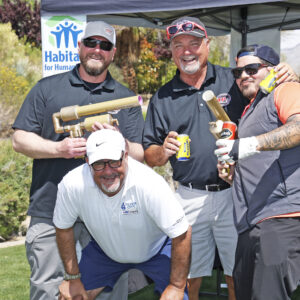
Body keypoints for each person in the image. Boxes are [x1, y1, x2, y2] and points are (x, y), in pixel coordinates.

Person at [142, 16, 296, 300]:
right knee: (186, 276)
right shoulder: (163, 97)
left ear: (207, 45)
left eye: (194, 43)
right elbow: (150, 155)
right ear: (172, 51)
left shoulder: (235, 78)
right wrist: (163, 150)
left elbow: (277, 97)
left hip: (235, 193)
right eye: (179, 45)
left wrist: (288, 72)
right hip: (188, 196)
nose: (187, 50)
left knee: (238, 273)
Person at [12, 21, 144, 300]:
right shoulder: (47, 89)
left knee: (109, 290)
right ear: (80, 46)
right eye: (91, 43)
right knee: (48, 290)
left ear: (113, 53)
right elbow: (20, 140)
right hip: (51, 210)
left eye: (104, 45)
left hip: (109, 213)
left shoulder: (125, 98)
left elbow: (141, 154)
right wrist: (59, 149)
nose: (97, 50)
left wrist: (119, 140)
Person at [53, 129, 191, 300]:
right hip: (105, 252)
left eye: (114, 162)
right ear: (88, 162)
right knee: (70, 297)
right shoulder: (72, 184)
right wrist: (72, 278)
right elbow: (63, 228)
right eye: (99, 164)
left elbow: (182, 233)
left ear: (126, 156)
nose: (108, 171)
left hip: (157, 249)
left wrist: (176, 286)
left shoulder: (149, 183)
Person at [215, 44, 300, 300]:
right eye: (237, 72)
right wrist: (233, 172)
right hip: (250, 222)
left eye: (251, 69)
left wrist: (246, 145)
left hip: (280, 217)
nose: (243, 76)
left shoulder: (285, 89)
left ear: (273, 70)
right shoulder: (251, 107)